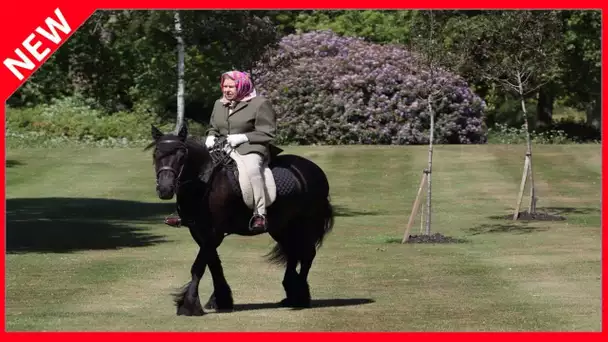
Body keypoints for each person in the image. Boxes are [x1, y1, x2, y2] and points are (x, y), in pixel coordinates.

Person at [164, 70, 277, 233]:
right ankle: (185, 212)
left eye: (231, 86)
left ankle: (260, 214)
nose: (227, 90)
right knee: (193, 167)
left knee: (252, 171)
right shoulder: (219, 103)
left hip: (250, 148)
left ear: (242, 85)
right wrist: (210, 136)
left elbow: (268, 132)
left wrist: (243, 137)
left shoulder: (259, 104)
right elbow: (214, 127)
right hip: (222, 147)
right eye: (224, 86)